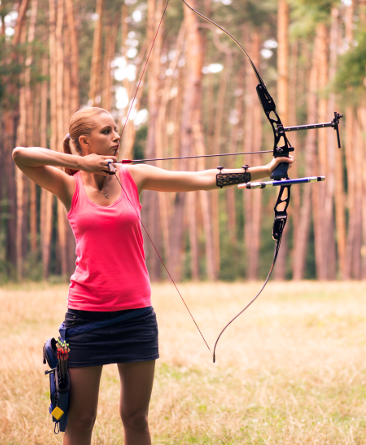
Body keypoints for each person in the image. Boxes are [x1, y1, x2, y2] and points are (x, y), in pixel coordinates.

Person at [12, 106, 293, 445]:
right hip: (86, 317)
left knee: (136, 416)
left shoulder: (133, 176)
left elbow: (201, 180)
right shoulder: (67, 185)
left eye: (116, 129)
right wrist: (83, 165)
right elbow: (21, 155)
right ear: (84, 142)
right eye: (106, 131)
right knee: (81, 418)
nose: (116, 136)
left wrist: (262, 171)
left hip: (136, 315)